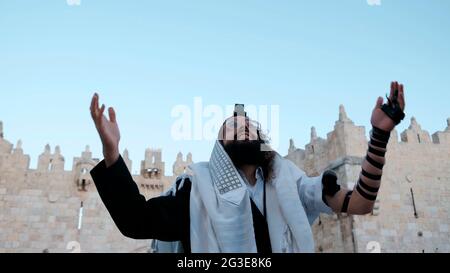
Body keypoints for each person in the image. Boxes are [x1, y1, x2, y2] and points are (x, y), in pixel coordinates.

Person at [89, 82, 406, 253]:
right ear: (219, 148)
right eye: (231, 128)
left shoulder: (291, 185)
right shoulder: (195, 193)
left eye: (249, 127)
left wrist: (379, 135)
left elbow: (361, 203)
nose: (242, 129)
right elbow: (135, 221)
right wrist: (112, 152)